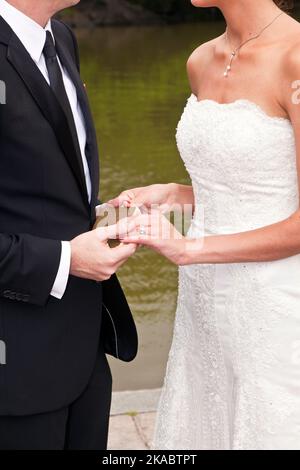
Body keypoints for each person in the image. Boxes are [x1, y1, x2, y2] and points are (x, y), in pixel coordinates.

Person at [111, 0, 300, 450]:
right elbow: (253, 184)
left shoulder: (296, 56)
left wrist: (187, 249)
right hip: (202, 295)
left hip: (275, 299)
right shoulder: (200, 59)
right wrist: (176, 193)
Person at [0, 0, 137, 450]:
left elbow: (42, 178)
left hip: (83, 350)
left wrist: (100, 213)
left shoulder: (61, 38)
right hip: (15, 364)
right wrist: (65, 259)